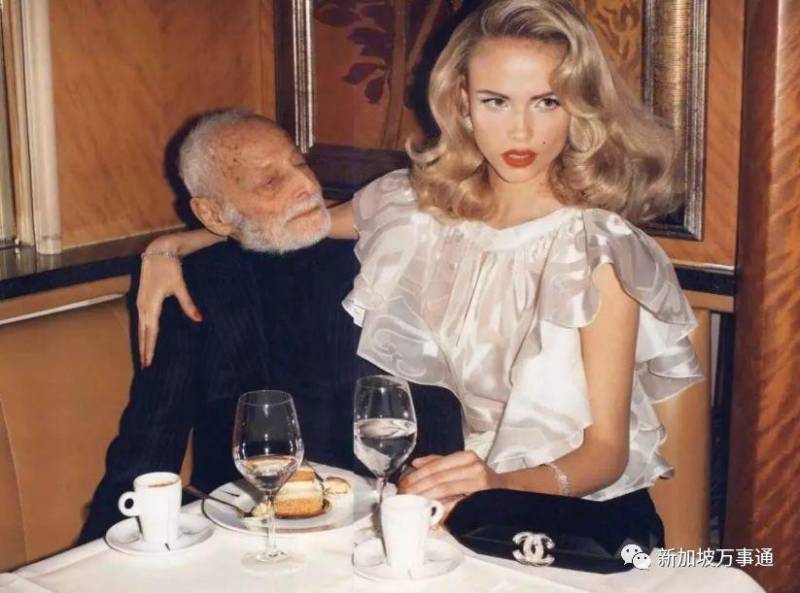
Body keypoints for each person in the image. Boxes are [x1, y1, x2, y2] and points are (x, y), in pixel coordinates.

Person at [137, 0, 702, 523]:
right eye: (496, 101)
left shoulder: (597, 249)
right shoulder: (416, 206)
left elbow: (605, 454)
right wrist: (170, 247)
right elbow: (293, 224)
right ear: (462, 102)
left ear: (578, 107)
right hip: (451, 498)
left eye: (546, 102)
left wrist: (497, 483)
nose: (522, 130)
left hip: (566, 508)